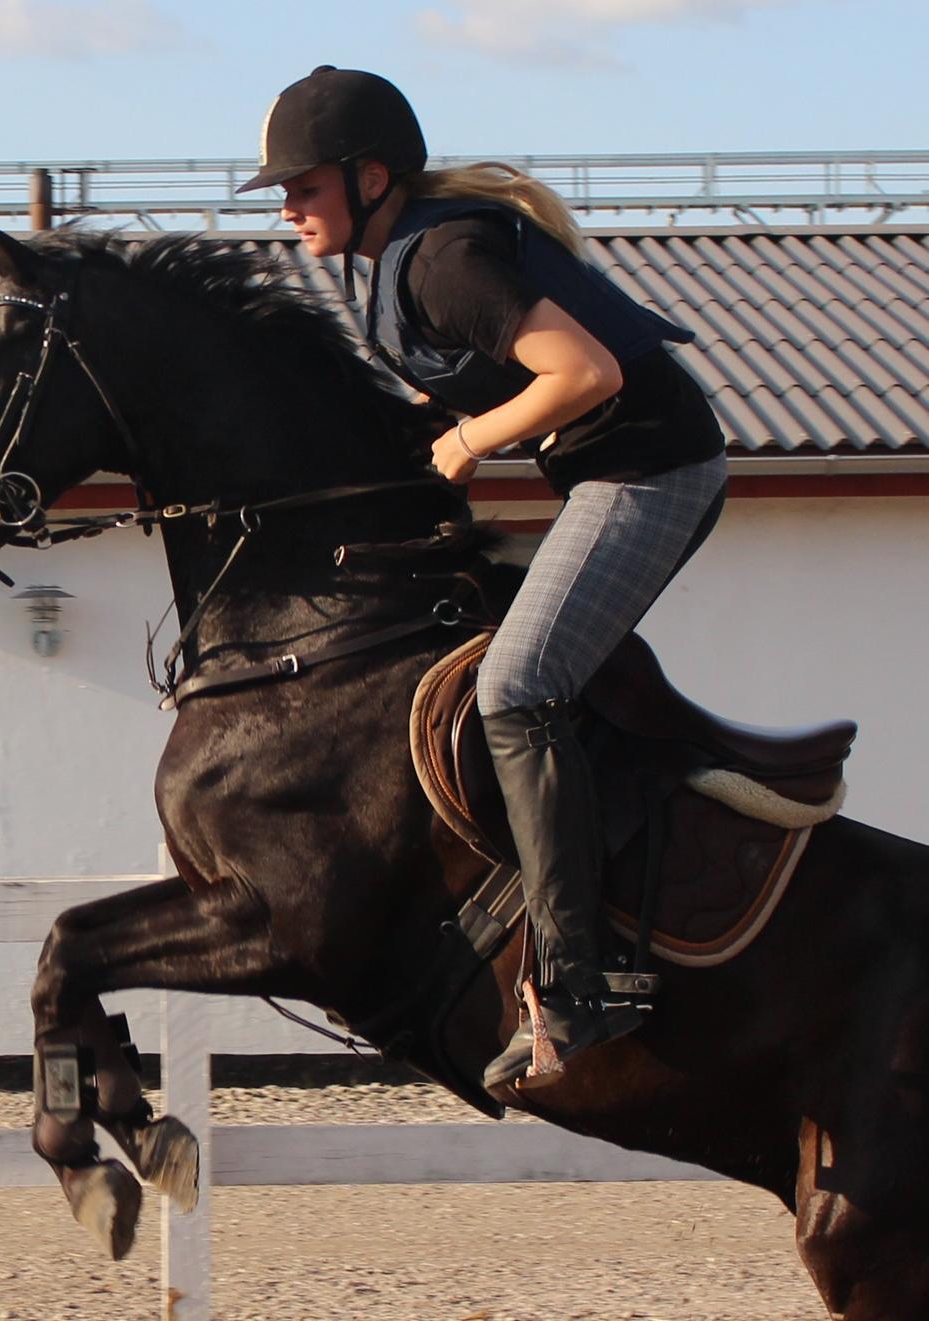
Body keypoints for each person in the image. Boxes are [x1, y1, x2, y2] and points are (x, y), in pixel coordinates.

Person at [237, 66, 727, 1090]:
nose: (288, 206)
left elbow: (587, 375)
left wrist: (467, 444)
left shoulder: (445, 256)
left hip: (654, 473)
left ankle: (581, 985)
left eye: (305, 185)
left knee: (517, 688)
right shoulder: (381, 265)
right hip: (602, 476)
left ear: (372, 178)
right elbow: (443, 380)